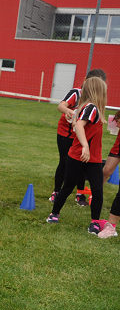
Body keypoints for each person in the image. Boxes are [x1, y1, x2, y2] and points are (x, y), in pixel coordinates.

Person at [47, 76, 108, 234]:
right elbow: (79, 125)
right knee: (69, 187)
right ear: (99, 92)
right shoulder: (91, 108)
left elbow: (76, 123)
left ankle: (94, 222)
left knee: (96, 190)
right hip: (80, 156)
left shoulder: (88, 108)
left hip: (91, 158)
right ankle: (54, 214)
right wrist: (85, 146)